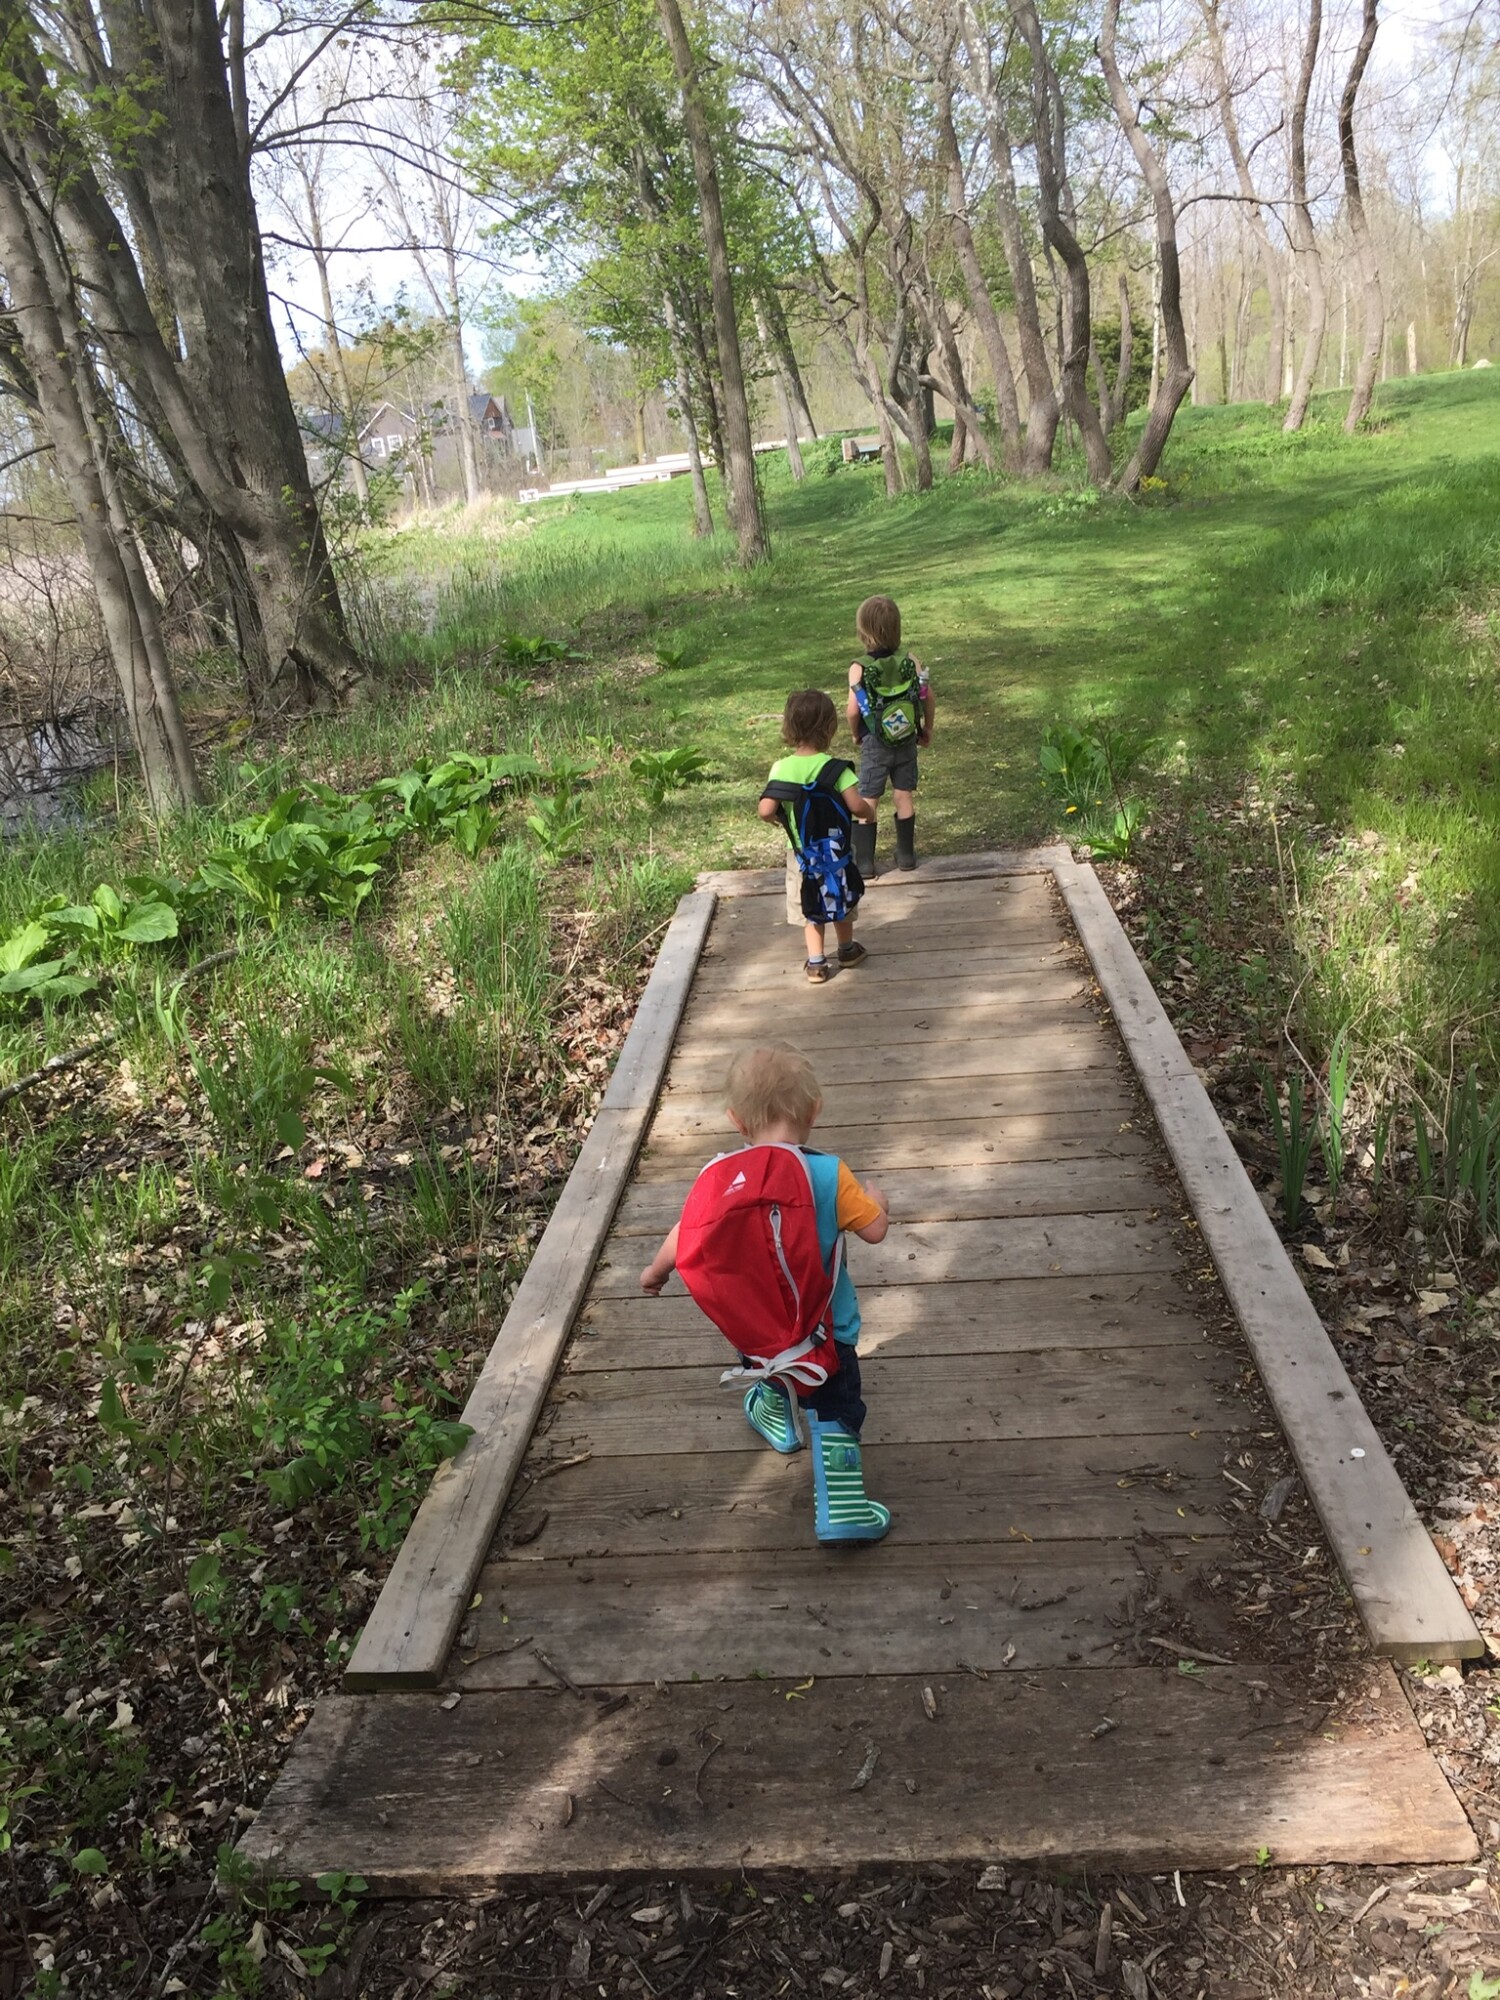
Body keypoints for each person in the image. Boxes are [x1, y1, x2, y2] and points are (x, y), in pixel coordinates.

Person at [638, 1044, 892, 1544]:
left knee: (771, 1367)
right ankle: (842, 1511)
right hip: (826, 1334)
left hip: (757, 1330)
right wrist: (877, 1198)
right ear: (814, 1110)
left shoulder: (720, 1178)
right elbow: (876, 1231)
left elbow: (686, 1231)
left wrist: (655, 1270)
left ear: (736, 1120)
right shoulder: (828, 1174)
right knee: (836, 1410)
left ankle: (777, 1421)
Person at [759, 688, 876, 984]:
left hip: (800, 853)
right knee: (840, 894)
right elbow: (855, 805)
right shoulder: (836, 769)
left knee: (810, 902)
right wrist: (868, 813)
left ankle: (816, 963)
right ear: (829, 727)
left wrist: (775, 817)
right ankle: (847, 950)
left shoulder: (782, 768)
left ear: (789, 726)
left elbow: (764, 809)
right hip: (837, 850)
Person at [846, 594, 934, 875]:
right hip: (906, 737)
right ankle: (906, 855)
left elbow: (852, 710)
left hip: (874, 741)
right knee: (903, 794)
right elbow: (927, 697)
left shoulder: (859, 667)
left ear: (863, 632)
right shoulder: (910, 661)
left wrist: (855, 734)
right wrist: (927, 728)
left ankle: (865, 862)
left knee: (869, 796)